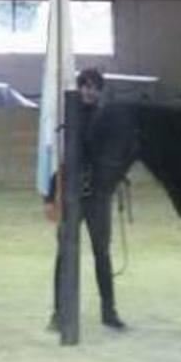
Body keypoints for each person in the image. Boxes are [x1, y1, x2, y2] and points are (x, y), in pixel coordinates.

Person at [46, 68, 126, 331]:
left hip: (98, 194)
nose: (90, 91)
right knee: (65, 253)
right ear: (79, 88)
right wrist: (50, 193)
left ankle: (109, 309)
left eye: (95, 87)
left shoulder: (108, 119)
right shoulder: (68, 118)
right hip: (71, 192)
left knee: (102, 252)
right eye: (86, 86)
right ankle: (59, 311)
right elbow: (58, 157)